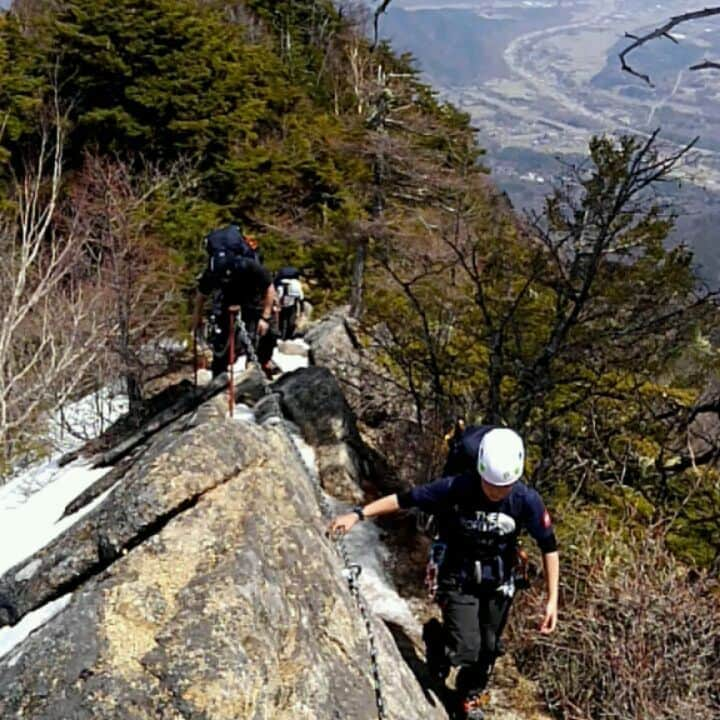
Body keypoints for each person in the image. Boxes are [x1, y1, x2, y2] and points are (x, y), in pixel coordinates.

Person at [327, 427, 559, 720]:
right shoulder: (457, 488)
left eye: (504, 487)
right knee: (466, 649)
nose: (496, 492)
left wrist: (552, 600)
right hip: (458, 577)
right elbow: (405, 499)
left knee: (488, 649)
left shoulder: (526, 500)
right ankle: (437, 640)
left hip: (498, 581)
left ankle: (468, 697)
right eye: (490, 484)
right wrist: (358, 515)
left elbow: (549, 545)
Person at [191, 225, 278, 378]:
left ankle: (257, 368)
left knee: (260, 334)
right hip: (228, 302)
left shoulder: (247, 265)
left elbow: (269, 287)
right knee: (224, 342)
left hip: (251, 300)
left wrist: (265, 316)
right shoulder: (216, 269)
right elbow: (202, 293)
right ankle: (221, 379)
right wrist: (197, 317)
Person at [273, 266, 305, 340]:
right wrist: (302, 311)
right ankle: (288, 337)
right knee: (290, 321)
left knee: (282, 320)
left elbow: (276, 296)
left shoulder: (279, 285)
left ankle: (282, 336)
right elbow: (301, 298)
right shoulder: (296, 285)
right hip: (291, 305)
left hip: (282, 305)